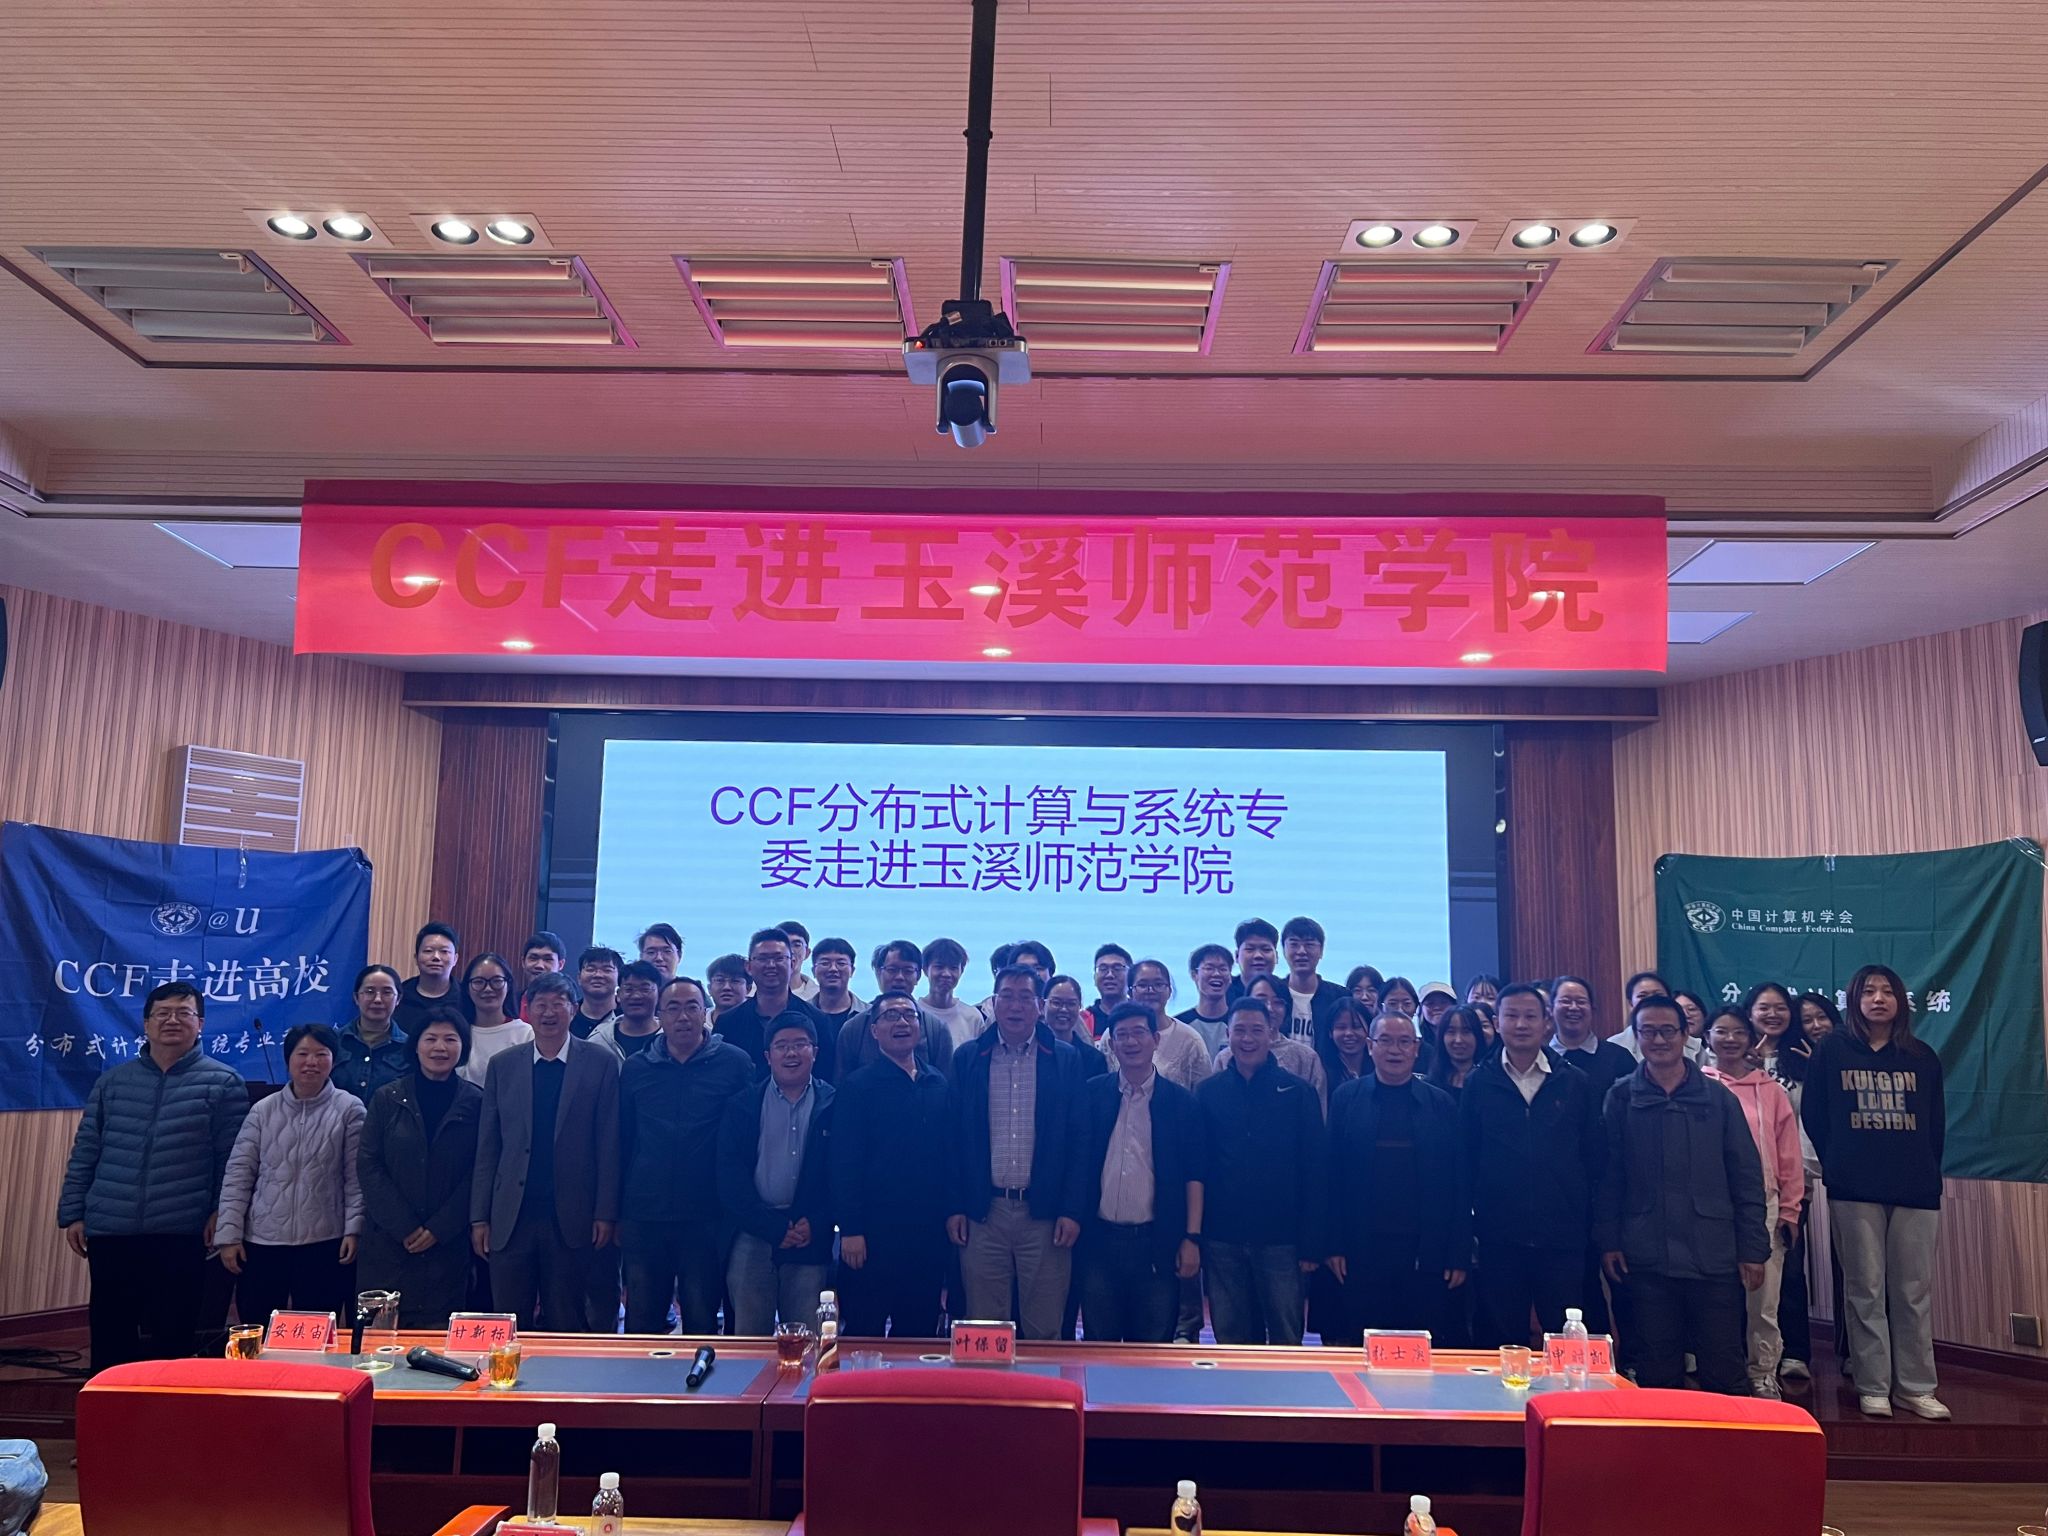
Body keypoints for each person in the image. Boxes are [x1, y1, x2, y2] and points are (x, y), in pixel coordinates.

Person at [59, 981, 250, 1368]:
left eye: (183, 1013)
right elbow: (87, 1151)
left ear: (200, 1023)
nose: (172, 1021)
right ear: (146, 1024)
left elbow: (231, 1159)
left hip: (180, 1229)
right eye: (162, 1013)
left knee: (172, 1339)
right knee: (111, 1336)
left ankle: (165, 1407)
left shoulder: (223, 1082)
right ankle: (108, 1405)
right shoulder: (113, 1082)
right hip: (112, 1228)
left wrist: (221, 1212)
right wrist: (73, 1212)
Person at [1597, 994, 1768, 1396]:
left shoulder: (1718, 1098)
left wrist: (1753, 1249)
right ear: (1637, 1036)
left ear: (1685, 1034)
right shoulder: (1621, 1097)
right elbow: (1608, 1177)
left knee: (1724, 1368)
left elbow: (1746, 1177)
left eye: (1667, 1031)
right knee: (1657, 1370)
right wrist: (1608, 1241)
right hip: (1646, 1255)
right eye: (1648, 1032)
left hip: (1714, 1254)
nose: (1658, 1040)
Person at [1802, 964, 1948, 1420]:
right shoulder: (1832, 1050)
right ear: (1855, 1000)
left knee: (1912, 1292)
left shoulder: (1921, 1056)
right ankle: (1873, 1385)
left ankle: (1916, 1387)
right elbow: (1815, 1115)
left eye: (1888, 991)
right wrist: (1838, 1163)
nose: (1879, 999)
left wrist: (1925, 1172)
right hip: (1854, 1187)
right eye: (1869, 991)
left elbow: (1935, 1126)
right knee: (1864, 1289)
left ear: (1901, 1001)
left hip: (1915, 1188)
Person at [471, 974, 621, 1332]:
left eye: (558, 1004)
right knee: (509, 1321)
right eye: (541, 1004)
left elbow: (609, 1142)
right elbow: (488, 1146)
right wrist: (479, 1217)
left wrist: (605, 1212)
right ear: (528, 1009)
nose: (549, 1013)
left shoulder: (599, 1062)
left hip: (572, 1215)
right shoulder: (503, 1064)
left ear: (574, 1009)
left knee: (566, 1319)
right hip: (512, 1214)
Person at [947, 964, 1089, 1340]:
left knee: (1045, 1327)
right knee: (984, 1329)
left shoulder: (1064, 1059)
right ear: (993, 1003)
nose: (1015, 1006)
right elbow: (954, 1140)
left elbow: (1079, 1141)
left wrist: (1071, 1210)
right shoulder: (968, 1058)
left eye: (1025, 997)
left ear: (1040, 1006)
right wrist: (956, 1206)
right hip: (984, 1214)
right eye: (1007, 996)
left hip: (1044, 1215)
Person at [1462, 984, 1602, 1346]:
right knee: (1501, 1338)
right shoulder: (1479, 1082)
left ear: (1546, 1022)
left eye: (1530, 1016)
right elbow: (1468, 1157)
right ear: (1497, 1022)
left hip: (1562, 1235)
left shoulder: (1574, 1082)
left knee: (1564, 1338)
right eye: (1511, 1016)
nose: (1521, 1024)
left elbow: (1593, 1157)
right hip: (1499, 1235)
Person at [618, 975, 754, 1334]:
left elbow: (745, 1140)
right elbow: (623, 1139)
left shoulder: (734, 1063)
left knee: (701, 1316)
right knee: (642, 1320)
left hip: (707, 1214)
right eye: (673, 1008)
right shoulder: (636, 1067)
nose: (683, 1017)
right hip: (645, 1213)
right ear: (659, 1016)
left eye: (692, 1007)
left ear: (705, 1012)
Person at [1324, 1010, 1467, 1343]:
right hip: (1361, 1248)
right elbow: (1331, 1177)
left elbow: (1458, 1182)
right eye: (1385, 1041)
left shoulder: (1440, 1103)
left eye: (1404, 1042)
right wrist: (1333, 1244)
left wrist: (1458, 1252)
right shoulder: (1346, 1098)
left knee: (1421, 1345)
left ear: (1416, 1048)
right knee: (1364, 1343)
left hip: (1425, 1251)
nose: (1395, 1050)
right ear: (1370, 1046)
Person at [1195, 998, 1326, 1344]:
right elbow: (1199, 1167)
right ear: (1227, 1034)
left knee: (1286, 1337)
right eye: (1240, 1030)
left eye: (1256, 1030)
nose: (1248, 1039)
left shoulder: (1298, 1092)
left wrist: (1312, 1243)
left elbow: (1315, 1170)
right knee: (1231, 1339)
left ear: (1271, 1032)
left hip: (1282, 1239)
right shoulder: (1208, 1093)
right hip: (1222, 1238)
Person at [215, 1022, 364, 1322]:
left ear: (333, 1060)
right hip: (263, 1242)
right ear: (288, 1060)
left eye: (321, 1054)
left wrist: (354, 1230)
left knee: (316, 1332)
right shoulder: (263, 1110)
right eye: (302, 1054)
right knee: (258, 1328)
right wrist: (228, 1235)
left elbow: (356, 1179)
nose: (311, 1062)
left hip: (325, 1241)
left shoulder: (350, 1109)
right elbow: (238, 1175)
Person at [1076, 1002, 1205, 1343]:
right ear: (1111, 1043)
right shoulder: (1091, 1094)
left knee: (1151, 1350)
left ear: (1155, 1039)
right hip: (1099, 1243)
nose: (1131, 1042)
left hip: (1155, 1245)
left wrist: (1191, 1238)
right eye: (1122, 1035)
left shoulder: (1181, 1103)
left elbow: (1194, 1176)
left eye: (1138, 1033)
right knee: (1099, 1346)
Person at [833, 992, 954, 1337]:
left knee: (918, 1333)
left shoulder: (937, 1082)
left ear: (920, 1027)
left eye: (909, 1015)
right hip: (872, 1235)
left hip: (927, 1234)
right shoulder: (858, 1086)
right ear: (874, 1031)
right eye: (890, 1016)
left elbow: (949, 1157)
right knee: (864, 1330)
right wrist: (851, 1229)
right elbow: (844, 1163)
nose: (902, 1022)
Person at [356, 1007, 483, 1329]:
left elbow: (481, 1170)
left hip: (449, 1245)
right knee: (382, 1340)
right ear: (415, 1046)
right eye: (431, 1039)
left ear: (463, 1047)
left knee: (441, 1339)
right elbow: (369, 1164)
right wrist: (404, 1226)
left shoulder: (476, 1102)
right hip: (389, 1242)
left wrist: (439, 1228)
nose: (440, 1047)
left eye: (450, 1039)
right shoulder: (387, 1098)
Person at [1703, 1005, 1803, 1398]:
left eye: (1738, 1032)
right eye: (1721, 1031)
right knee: (1716, 1296)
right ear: (1707, 1037)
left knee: (1763, 1296)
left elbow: (1789, 1154)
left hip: (1763, 1202)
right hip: (1709, 1204)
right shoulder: (1698, 1084)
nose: (1729, 1039)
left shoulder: (1771, 1090)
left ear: (1751, 1038)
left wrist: (1790, 1208)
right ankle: (1720, 1373)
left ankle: (1762, 1372)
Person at [718, 1012, 835, 1334]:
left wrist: (818, 1221)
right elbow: (729, 1175)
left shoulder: (835, 1104)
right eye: (782, 1046)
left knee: (807, 1337)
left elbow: (842, 1174)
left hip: (808, 1234)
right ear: (768, 1056)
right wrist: (769, 1226)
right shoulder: (742, 1104)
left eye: (800, 1044)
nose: (791, 1053)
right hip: (753, 1232)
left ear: (815, 1052)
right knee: (749, 1338)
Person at [1214, 973, 1330, 1115]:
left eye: (1278, 1002)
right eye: (1261, 1000)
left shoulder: (1306, 1057)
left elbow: (1318, 1112)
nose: (1269, 1008)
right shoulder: (1225, 1057)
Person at [721, 928, 829, 1078]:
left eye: (779, 958)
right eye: (763, 959)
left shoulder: (818, 1020)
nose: (771, 965)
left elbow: (824, 1078)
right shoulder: (727, 1023)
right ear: (749, 967)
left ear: (792, 964)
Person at [835, 941, 948, 1083]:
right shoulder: (854, 1028)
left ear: (918, 976)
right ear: (878, 972)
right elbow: (842, 1084)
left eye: (908, 971)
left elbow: (944, 1086)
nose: (899, 977)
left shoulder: (936, 1029)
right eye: (892, 970)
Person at [1125, 958, 1211, 1091]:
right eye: (1142, 985)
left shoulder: (1190, 1039)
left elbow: (1204, 1092)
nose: (1150, 990)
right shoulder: (1113, 1036)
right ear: (1130, 993)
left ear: (1169, 991)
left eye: (1158, 984)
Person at [335, 964, 412, 1104]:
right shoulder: (334, 1041)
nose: (377, 999)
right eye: (369, 992)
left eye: (387, 992)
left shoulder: (410, 1047)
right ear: (356, 997)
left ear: (398, 999)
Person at [457, 952, 534, 1086]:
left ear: (508, 986)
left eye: (497, 981)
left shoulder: (525, 1033)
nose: (488, 989)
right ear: (467, 989)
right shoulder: (457, 1032)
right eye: (479, 982)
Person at [1552, 976, 1634, 1098]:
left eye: (1581, 1002)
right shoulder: (1541, 1059)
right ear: (1551, 1008)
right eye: (1566, 1001)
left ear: (1593, 1009)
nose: (1573, 1007)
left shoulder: (1619, 1057)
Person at [1280, 917, 1348, 1046]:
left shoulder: (1339, 997)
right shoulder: (1274, 993)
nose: (1301, 951)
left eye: (1309, 945)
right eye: (1294, 944)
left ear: (1321, 951)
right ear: (1284, 950)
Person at [394, 922, 470, 1035]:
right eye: (428, 951)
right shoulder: (399, 996)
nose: (436, 957)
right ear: (416, 958)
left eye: (444, 951)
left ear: (455, 959)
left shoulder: (467, 997)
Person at [591, 959, 663, 1058]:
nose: (636, 996)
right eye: (629, 989)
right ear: (618, 995)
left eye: (645, 989)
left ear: (659, 994)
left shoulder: (671, 1037)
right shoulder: (599, 1041)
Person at [921, 937, 983, 1048]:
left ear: (961, 971)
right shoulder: (914, 1013)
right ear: (925, 969)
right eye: (939, 967)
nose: (946, 974)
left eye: (953, 968)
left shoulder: (973, 1017)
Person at [1046, 975, 1110, 1079]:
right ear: (1042, 1004)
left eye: (1071, 1004)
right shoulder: (1032, 1051)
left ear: (1080, 1006)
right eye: (1056, 1003)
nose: (1063, 1009)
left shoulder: (1094, 1059)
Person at [1748, 982, 1810, 1086]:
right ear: (1749, 1014)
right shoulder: (1739, 1056)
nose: (1773, 1014)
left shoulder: (1804, 1055)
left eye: (1781, 1008)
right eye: (1764, 1008)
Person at [1178, 944, 1235, 1054]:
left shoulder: (1239, 1022)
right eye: (1209, 968)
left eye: (1223, 969)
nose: (1217, 974)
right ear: (1194, 975)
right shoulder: (1180, 1025)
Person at [1315, 996, 1373, 1088]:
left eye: (1356, 1026)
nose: (1349, 1033)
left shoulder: (1380, 1067)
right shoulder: (1319, 1070)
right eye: (1341, 1027)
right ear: (1330, 1032)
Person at [1427, 1006, 1485, 1097]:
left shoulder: (1490, 1081)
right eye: (1451, 1031)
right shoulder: (1430, 1085)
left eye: (1466, 1031)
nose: (1458, 1040)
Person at [573, 946, 623, 1037]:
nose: (598, 975)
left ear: (619, 978)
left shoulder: (628, 1018)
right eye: (590, 969)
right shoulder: (567, 1016)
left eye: (607, 970)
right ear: (579, 978)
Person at [1228, 918, 1280, 1000]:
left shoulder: (1286, 993)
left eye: (1266, 949)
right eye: (1250, 949)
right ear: (1237, 956)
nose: (1258, 956)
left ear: (1276, 956)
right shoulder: (1224, 993)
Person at [1088, 944, 1133, 1034]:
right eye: (1103, 969)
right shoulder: (1083, 1020)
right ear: (1094, 977)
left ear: (1131, 975)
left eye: (1117, 968)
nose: (1110, 975)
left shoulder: (1143, 1017)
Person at [779, 919, 818, 1002]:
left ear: (807, 953)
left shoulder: (820, 997)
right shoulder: (751, 992)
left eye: (796, 945)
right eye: (783, 945)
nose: (790, 951)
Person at [706, 952, 751, 1023]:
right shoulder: (698, 1021)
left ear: (748, 988)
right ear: (709, 988)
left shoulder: (762, 1023)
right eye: (720, 980)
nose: (727, 987)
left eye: (735, 981)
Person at [1417, 982, 1458, 1052]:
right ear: (1421, 1010)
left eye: (1443, 1002)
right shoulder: (1416, 1047)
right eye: (1430, 1003)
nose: (1437, 1007)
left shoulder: (1463, 1042)